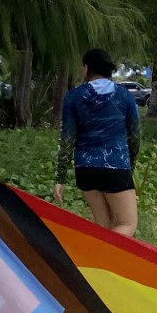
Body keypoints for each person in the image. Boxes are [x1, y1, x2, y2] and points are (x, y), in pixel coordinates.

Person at [54, 47, 141, 237]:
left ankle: (99, 263)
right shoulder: (124, 95)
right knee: (127, 224)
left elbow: (67, 139)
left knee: (103, 225)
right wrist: (130, 165)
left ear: (87, 68)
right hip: (115, 165)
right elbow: (134, 136)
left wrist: (60, 177)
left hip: (85, 168)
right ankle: (96, 260)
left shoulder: (73, 97)